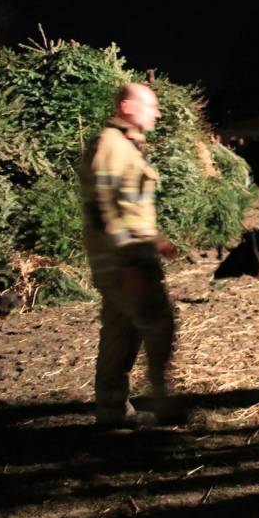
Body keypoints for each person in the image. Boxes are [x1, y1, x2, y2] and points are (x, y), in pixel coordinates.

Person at [79, 83, 179, 428]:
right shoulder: (111, 146)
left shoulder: (125, 145)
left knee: (121, 329)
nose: (157, 113)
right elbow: (102, 209)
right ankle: (161, 400)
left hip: (128, 256)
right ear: (126, 106)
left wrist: (156, 241)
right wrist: (128, 262)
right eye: (150, 106)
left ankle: (112, 409)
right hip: (125, 260)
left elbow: (127, 207)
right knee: (158, 322)